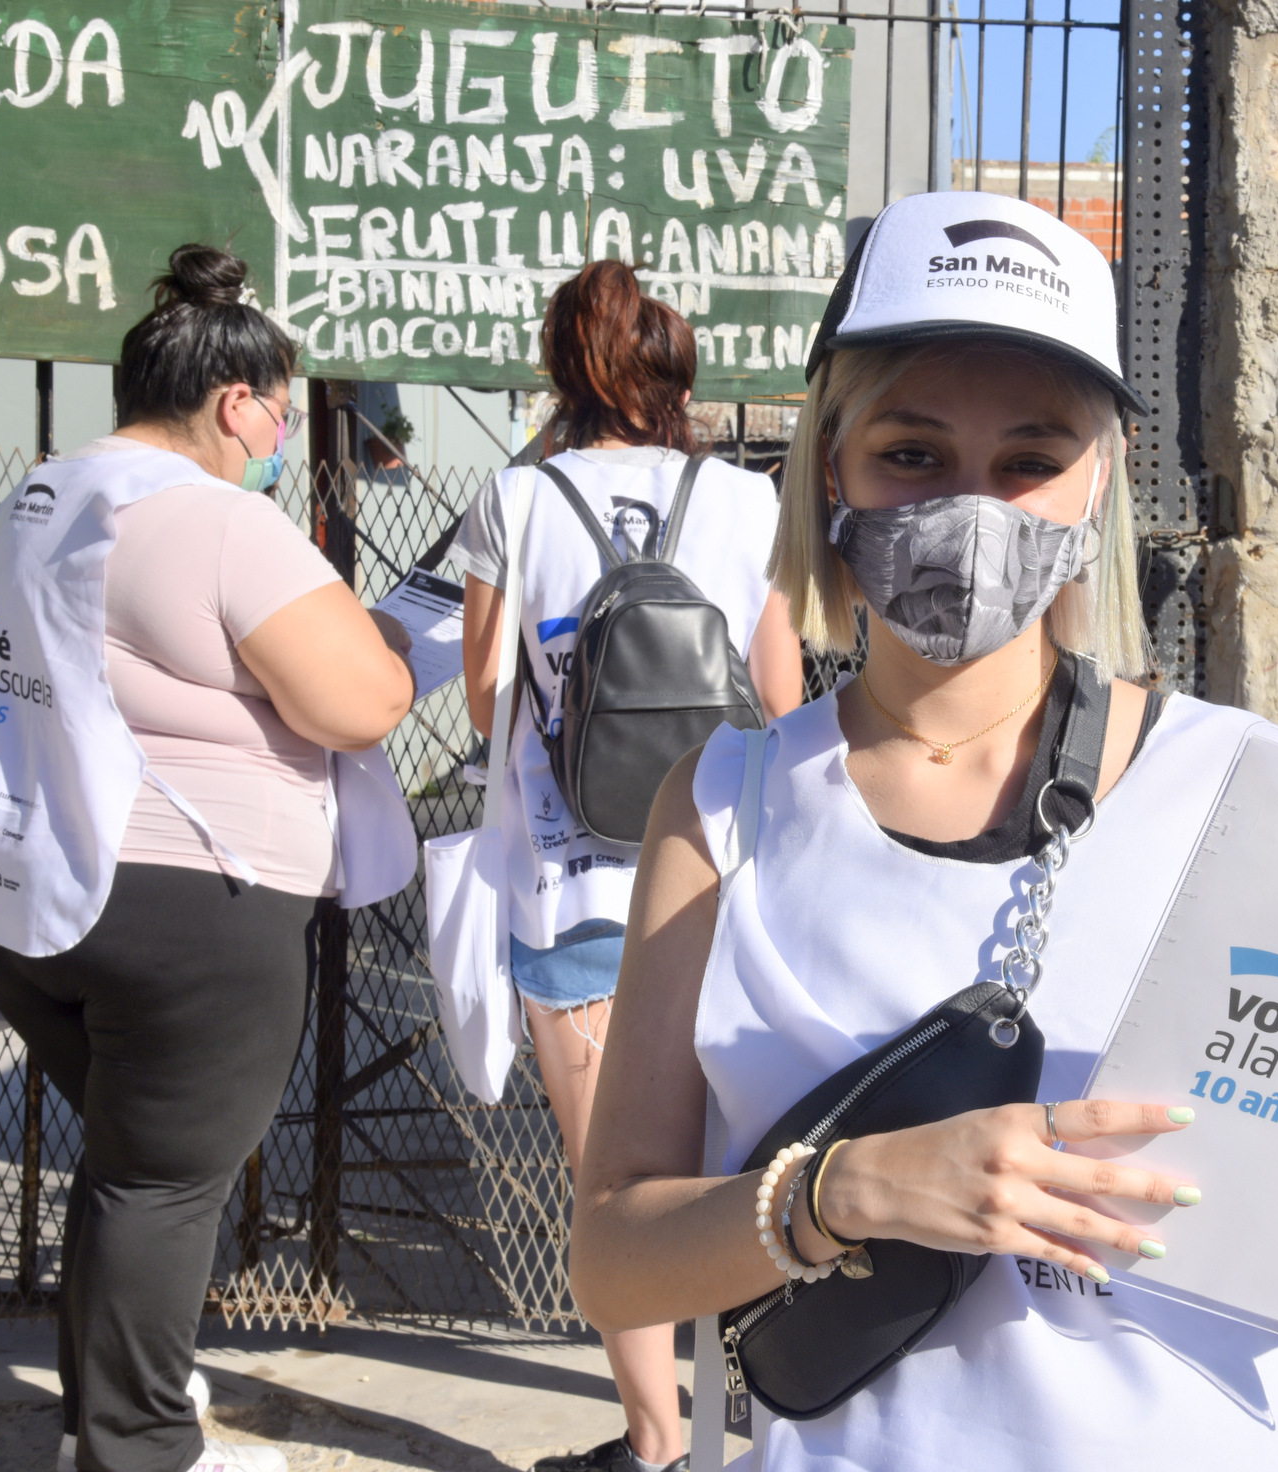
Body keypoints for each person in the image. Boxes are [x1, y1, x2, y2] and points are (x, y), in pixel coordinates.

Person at [561, 188, 1278, 1472]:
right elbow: (611, 1258)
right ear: (832, 460)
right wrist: (849, 1191)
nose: (974, 508)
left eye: (1031, 460)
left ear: (1098, 473)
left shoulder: (1257, 791)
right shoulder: (723, 800)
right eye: (913, 454)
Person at [0, 245, 417, 1472]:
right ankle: (138, 1446)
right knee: (167, 1183)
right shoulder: (218, 520)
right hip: (190, 900)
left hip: (32, 885)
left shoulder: (41, 493)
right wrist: (386, 644)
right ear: (237, 403)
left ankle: (111, 1413)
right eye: (283, 414)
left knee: (134, 1166)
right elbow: (365, 700)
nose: (283, 437)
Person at [446, 262, 802, 1472]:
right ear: (675, 371)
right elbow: (786, 697)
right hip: (724, 863)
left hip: (573, 877)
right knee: (746, 1156)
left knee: (616, 1185)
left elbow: (488, 691)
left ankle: (660, 1438)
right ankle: (756, 1415)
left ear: (562, 368)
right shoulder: (745, 504)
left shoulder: (514, 497)